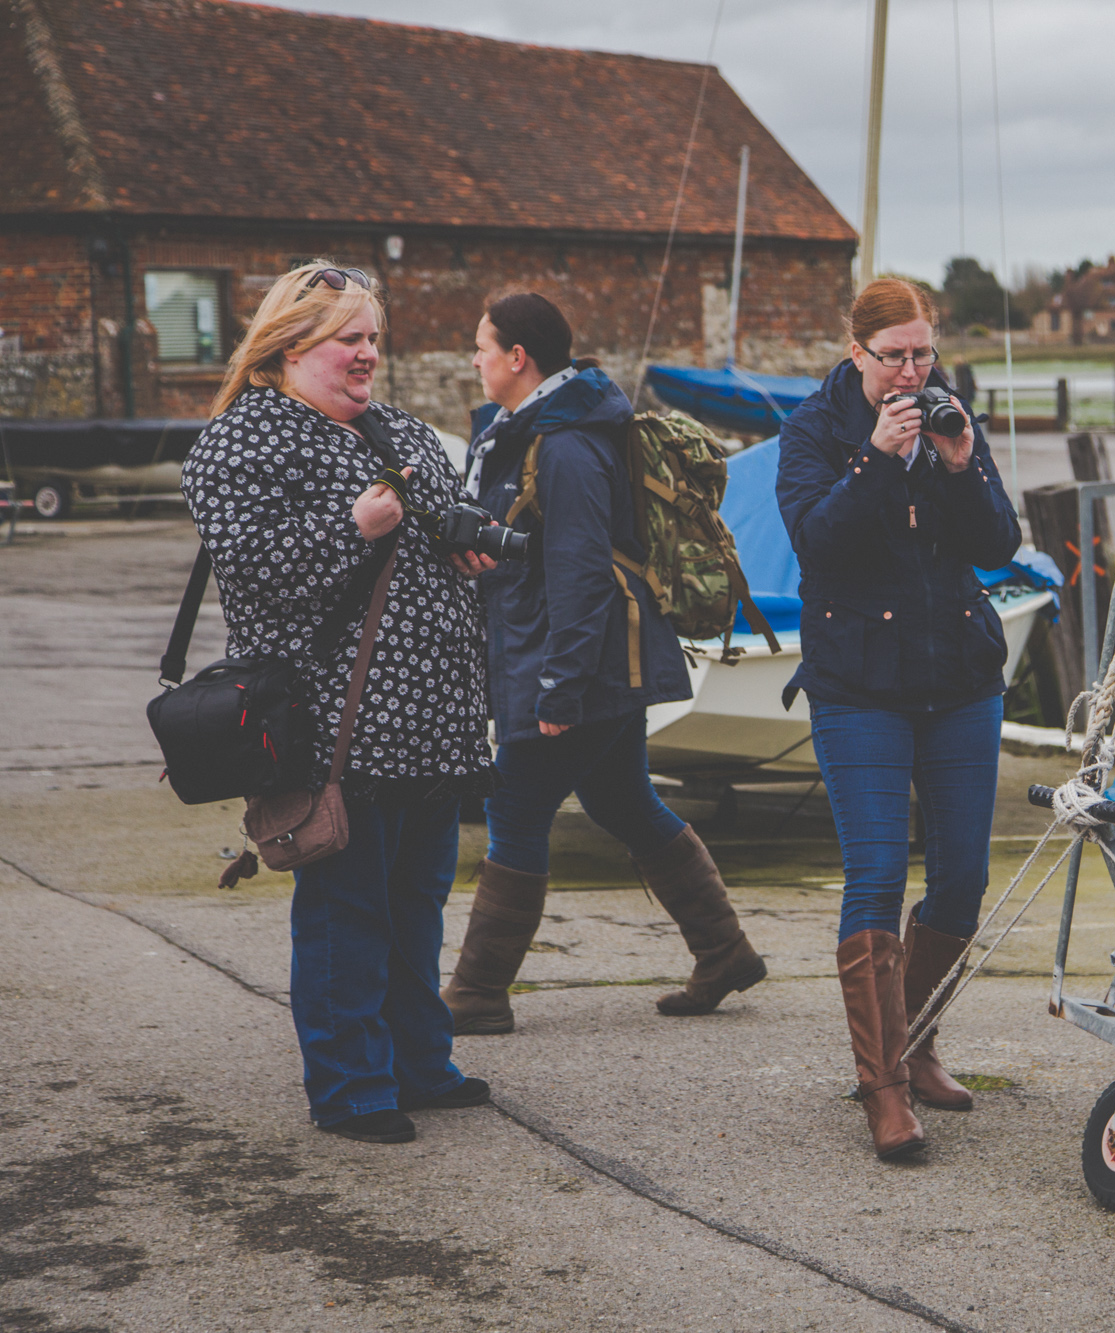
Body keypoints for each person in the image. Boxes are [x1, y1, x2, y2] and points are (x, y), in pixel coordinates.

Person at [181, 262, 494, 1145]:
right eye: (349, 339)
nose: (368, 355)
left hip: (431, 725)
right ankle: (352, 1085)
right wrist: (351, 528)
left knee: (416, 903)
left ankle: (419, 1064)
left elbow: (445, 527)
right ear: (290, 346)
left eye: (373, 339)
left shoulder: (401, 431)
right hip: (333, 725)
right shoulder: (242, 441)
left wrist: (468, 551)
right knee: (346, 909)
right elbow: (251, 574)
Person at [441, 293, 766, 1035]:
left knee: (515, 809)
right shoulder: (537, 432)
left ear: (518, 358)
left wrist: (559, 685)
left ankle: (477, 993)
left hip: (580, 664)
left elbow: (583, 571)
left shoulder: (564, 444)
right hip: (595, 658)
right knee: (622, 801)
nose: (475, 359)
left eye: (482, 346)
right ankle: (725, 951)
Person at [775, 278, 1021, 1160]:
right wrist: (878, 456)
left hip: (959, 677)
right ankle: (882, 1087)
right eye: (895, 356)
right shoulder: (812, 431)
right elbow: (818, 543)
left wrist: (959, 464)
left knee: (960, 881)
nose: (912, 371)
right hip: (857, 685)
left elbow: (998, 544)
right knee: (876, 874)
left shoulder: (952, 415)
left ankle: (915, 1047)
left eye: (924, 353)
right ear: (857, 354)